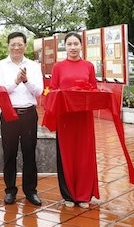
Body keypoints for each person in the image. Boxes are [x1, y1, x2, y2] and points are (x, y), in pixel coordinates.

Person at [0, 32, 44, 206]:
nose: (16, 47)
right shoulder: (0, 66)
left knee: (29, 153)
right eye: (13, 44)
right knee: (9, 154)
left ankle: (31, 191)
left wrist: (26, 80)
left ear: (25, 46)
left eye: (20, 44)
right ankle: (10, 190)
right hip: (9, 114)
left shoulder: (33, 66)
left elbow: (38, 91)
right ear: (8, 46)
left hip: (29, 114)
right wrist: (16, 81)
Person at [50, 32, 98, 209]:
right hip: (65, 118)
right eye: (69, 44)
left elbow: (93, 89)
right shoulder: (58, 67)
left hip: (84, 116)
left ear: (81, 46)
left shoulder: (88, 66)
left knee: (84, 154)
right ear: (65, 46)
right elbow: (52, 90)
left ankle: (84, 195)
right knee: (66, 154)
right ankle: (68, 194)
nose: (73, 47)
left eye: (76, 44)